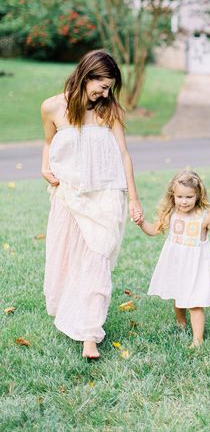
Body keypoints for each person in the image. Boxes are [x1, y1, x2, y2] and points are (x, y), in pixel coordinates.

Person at [41, 49, 143, 360]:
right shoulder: (52, 107)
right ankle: (72, 313)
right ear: (85, 76)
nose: (104, 93)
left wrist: (134, 197)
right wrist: (45, 168)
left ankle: (89, 335)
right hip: (70, 195)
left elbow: (124, 154)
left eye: (109, 88)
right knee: (68, 259)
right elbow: (48, 143)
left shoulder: (109, 111)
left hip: (106, 195)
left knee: (97, 263)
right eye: (100, 86)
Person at [137, 169, 210, 347]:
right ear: (173, 195)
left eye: (189, 197)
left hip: (195, 267)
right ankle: (181, 322)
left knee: (195, 303)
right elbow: (153, 230)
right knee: (178, 295)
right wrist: (141, 223)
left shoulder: (205, 217)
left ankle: (197, 340)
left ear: (198, 195)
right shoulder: (171, 213)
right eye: (180, 197)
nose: (184, 201)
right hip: (176, 264)